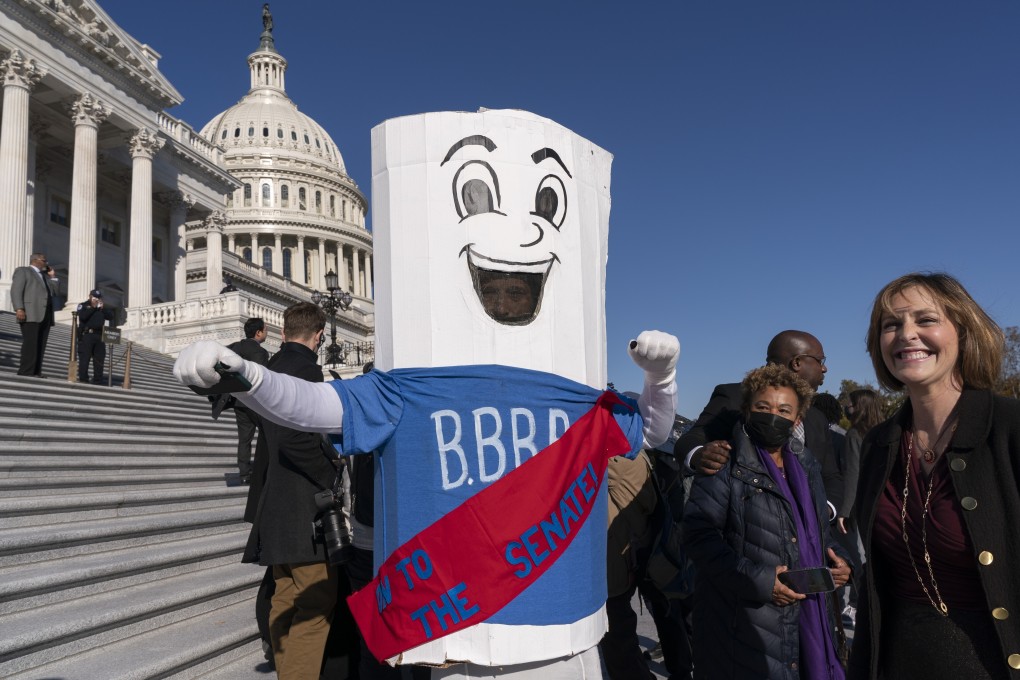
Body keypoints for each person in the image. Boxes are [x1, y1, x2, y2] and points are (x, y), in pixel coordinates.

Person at [848, 273, 1020, 680]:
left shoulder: (1010, 429)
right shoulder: (879, 444)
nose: (907, 334)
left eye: (926, 320)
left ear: (964, 333)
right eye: (891, 325)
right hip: (901, 661)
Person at [682, 364, 851, 680]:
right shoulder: (723, 462)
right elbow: (697, 537)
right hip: (741, 625)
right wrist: (759, 580)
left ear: (796, 419)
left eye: (784, 409)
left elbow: (814, 530)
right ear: (746, 411)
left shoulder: (804, 463)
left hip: (806, 615)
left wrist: (840, 560)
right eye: (763, 407)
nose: (773, 415)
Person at [241, 303, 337, 680]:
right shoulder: (307, 372)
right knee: (315, 602)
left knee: (283, 593)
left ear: (283, 333)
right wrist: (333, 477)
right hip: (303, 504)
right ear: (319, 336)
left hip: (273, 500)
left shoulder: (271, 370)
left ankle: (285, 667)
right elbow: (297, 440)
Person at [676, 330, 843, 515]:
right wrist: (701, 455)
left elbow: (830, 475)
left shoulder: (816, 418)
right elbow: (690, 439)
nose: (824, 369)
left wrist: (825, 511)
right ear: (797, 362)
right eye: (820, 361)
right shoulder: (733, 398)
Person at [228, 318, 270, 484]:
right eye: (265, 329)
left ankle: (244, 473)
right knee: (267, 434)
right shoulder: (260, 352)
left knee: (244, 438)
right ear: (258, 332)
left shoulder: (234, 348)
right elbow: (261, 379)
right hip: (255, 401)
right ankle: (265, 468)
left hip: (238, 400)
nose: (266, 332)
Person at [11, 253, 58, 377]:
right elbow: (16, 290)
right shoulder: (23, 271)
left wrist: (53, 278)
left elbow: (55, 292)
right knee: (30, 343)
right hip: (30, 312)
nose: (46, 263)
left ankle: (36, 371)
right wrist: (19, 308)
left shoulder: (45, 277)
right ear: (35, 260)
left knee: (41, 344)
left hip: (45, 315)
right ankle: (26, 370)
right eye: (44, 261)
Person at [76, 289, 115, 384]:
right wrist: (93, 307)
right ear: (90, 296)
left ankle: (98, 380)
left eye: (98, 298)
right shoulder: (84, 305)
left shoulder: (101, 308)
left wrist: (103, 308)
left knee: (99, 358)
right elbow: (82, 317)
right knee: (85, 358)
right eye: (94, 297)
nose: (96, 299)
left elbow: (111, 316)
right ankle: (83, 378)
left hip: (99, 336)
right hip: (87, 335)